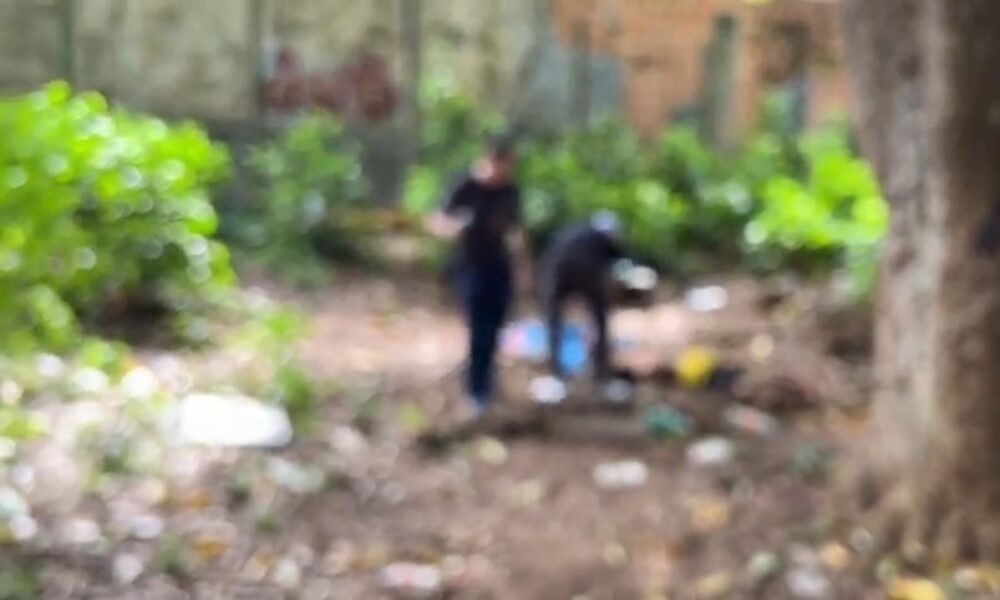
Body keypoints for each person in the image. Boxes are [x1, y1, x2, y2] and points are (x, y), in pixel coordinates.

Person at [427, 136, 529, 415]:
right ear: (489, 160)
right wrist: (454, 227)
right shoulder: (466, 186)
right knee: (478, 328)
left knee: (496, 327)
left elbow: (515, 232)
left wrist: (523, 267)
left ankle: (488, 383)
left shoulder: (510, 192)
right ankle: (476, 389)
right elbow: (437, 220)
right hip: (472, 266)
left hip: (499, 267)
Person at [539, 211, 626, 387]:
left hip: (557, 275)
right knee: (599, 320)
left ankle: (557, 371)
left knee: (554, 322)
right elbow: (616, 266)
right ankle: (601, 373)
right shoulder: (602, 240)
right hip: (578, 275)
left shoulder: (570, 233)